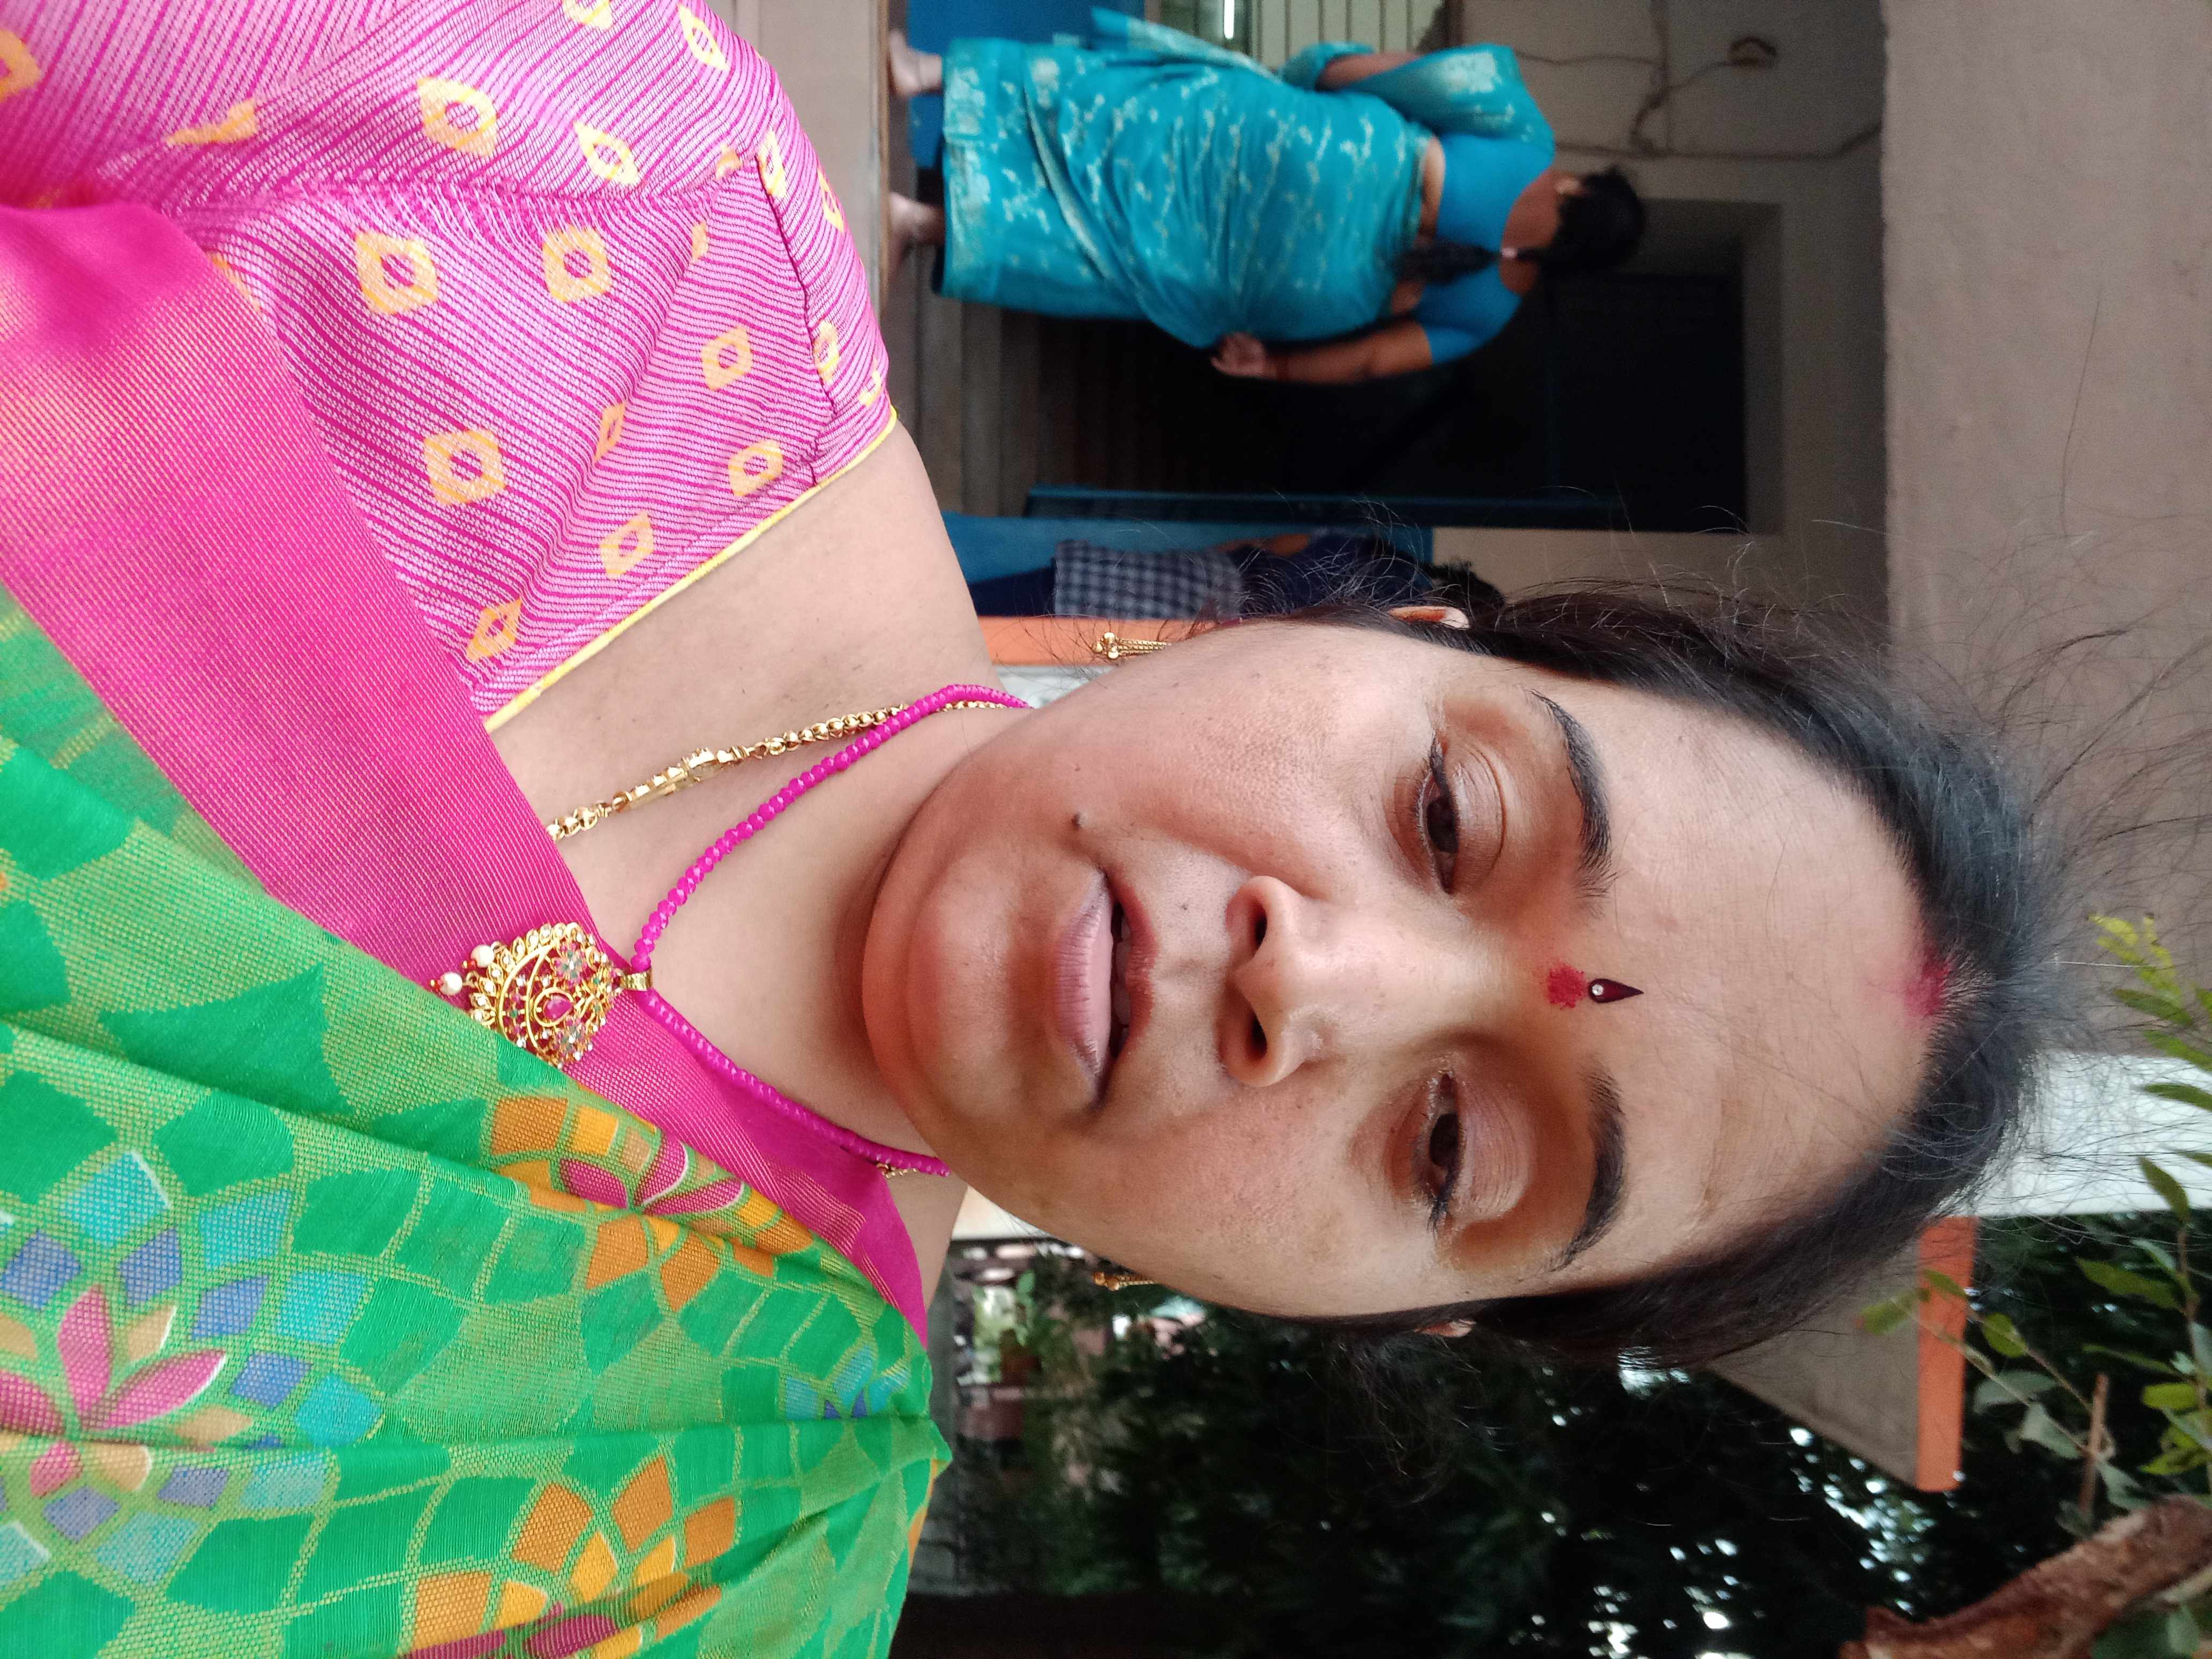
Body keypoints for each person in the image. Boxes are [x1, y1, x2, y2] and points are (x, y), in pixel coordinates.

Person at [0, 1, 2050, 1653]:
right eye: (1446, 813)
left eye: (1451, 1147)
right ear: (1398, 626)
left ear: (1399, 1311)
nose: (1316, 978)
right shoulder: (590, 178)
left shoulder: (712, 1557)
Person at [885, 13, 1646, 383]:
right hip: (1297, 285)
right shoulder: (1491, 313)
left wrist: (1309, 77)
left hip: (1311, 153)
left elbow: (1394, 76)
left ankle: (923, 73)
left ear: (1581, 187)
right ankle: (918, 223)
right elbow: (1370, 360)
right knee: (1113, 254)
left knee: (1117, 104)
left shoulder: (1528, 139)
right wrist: (1273, 366)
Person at [963, 528, 1505, 619]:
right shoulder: (1401, 628)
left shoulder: (1379, 553)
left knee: (1041, 592)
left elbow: (1276, 545)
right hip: (1215, 631)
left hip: (1208, 577)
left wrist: (1213, 558)